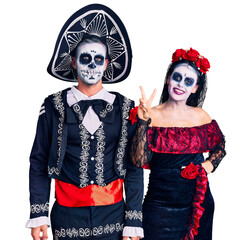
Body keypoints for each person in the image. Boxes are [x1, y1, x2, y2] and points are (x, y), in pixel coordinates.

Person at [26, 4, 143, 240]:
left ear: (107, 64)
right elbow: (38, 159)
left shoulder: (126, 107)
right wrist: (39, 214)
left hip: (113, 216)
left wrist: (133, 220)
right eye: (85, 58)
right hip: (67, 216)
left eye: (98, 59)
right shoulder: (52, 105)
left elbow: (134, 166)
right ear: (73, 61)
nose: (92, 65)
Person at [130, 48, 226, 240]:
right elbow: (138, 161)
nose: (181, 84)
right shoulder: (151, 114)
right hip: (159, 207)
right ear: (168, 79)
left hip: (197, 205)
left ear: (195, 88)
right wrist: (142, 122)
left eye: (188, 81)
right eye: (177, 77)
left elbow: (220, 145)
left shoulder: (201, 116)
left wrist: (207, 166)